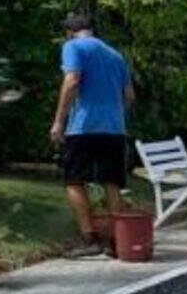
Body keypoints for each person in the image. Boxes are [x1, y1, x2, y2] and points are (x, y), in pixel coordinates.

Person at [49, 15, 135, 256]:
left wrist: (58, 121)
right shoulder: (115, 55)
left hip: (83, 127)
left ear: (69, 32)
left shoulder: (72, 47)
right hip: (113, 129)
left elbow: (72, 80)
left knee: (74, 180)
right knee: (112, 182)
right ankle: (118, 242)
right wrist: (115, 117)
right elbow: (129, 96)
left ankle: (90, 240)